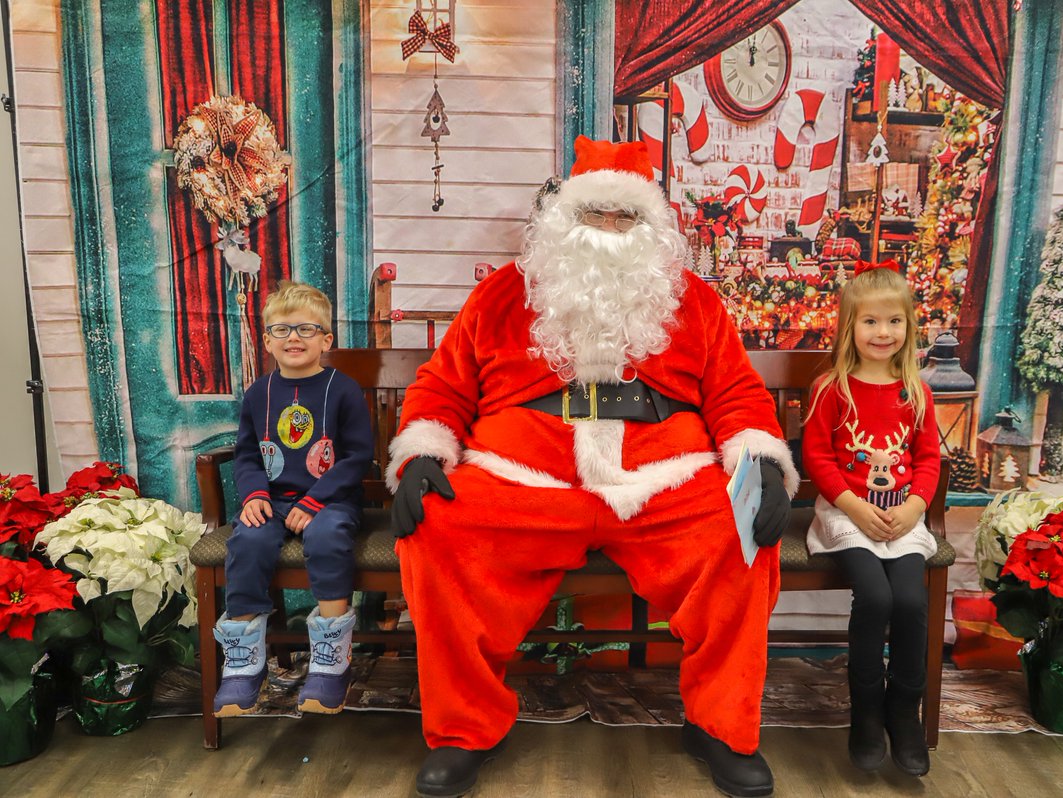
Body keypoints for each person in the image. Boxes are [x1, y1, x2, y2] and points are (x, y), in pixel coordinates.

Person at [387, 136, 800, 798]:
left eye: (625, 217)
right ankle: (465, 728)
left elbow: (734, 392)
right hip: (525, 477)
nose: (609, 231)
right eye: (596, 215)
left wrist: (761, 458)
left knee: (742, 531)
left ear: (650, 227)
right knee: (438, 525)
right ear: (565, 220)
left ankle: (721, 726)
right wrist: (423, 451)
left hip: (663, 477)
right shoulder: (504, 293)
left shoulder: (691, 299)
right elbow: (445, 386)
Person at [801, 260, 939, 776]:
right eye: (871, 322)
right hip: (846, 514)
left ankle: (903, 709)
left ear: (908, 326)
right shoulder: (831, 389)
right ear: (849, 327)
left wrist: (914, 507)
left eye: (894, 322)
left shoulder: (915, 391)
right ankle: (864, 712)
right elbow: (816, 458)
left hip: (903, 515)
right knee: (876, 596)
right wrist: (853, 505)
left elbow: (928, 460)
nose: (883, 332)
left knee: (908, 598)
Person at [213, 281, 372, 717]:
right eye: (281, 330)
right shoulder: (258, 394)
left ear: (326, 340)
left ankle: (330, 661)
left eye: (306, 329)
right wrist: (254, 495)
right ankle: (243, 663)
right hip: (274, 499)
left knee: (327, 537)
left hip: (331, 500)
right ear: (266, 341)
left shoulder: (343, 390)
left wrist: (316, 500)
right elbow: (247, 453)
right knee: (248, 540)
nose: (294, 338)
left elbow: (358, 457)